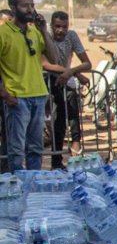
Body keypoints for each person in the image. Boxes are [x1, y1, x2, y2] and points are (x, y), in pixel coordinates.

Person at [0, 0, 60, 171]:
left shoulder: (35, 31)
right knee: (17, 149)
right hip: (17, 98)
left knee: (35, 147)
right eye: (25, 5)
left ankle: (34, 180)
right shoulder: (3, 33)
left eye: (32, 5)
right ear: (13, 8)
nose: (30, 9)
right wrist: (5, 94)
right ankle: (17, 181)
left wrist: (44, 31)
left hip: (38, 95)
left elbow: (54, 58)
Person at [44, 11, 91, 168]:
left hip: (65, 80)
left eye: (64, 27)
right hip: (46, 80)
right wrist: (72, 72)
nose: (61, 30)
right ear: (52, 25)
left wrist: (71, 72)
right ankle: (55, 160)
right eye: (57, 26)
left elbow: (87, 63)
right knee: (55, 122)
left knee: (70, 110)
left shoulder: (71, 36)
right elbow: (44, 64)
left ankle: (74, 143)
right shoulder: (45, 35)